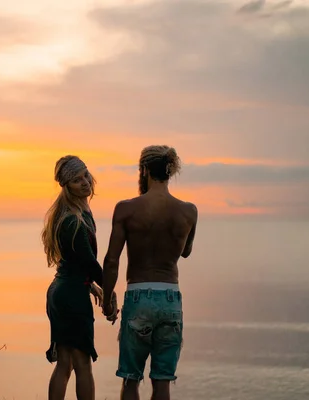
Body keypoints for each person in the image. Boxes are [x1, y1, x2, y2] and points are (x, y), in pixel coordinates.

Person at [101, 145, 198, 400]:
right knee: (162, 382)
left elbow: (112, 260)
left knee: (131, 380)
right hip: (170, 298)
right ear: (170, 170)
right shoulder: (189, 211)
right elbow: (186, 251)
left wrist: (108, 299)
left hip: (138, 297)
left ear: (144, 170)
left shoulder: (126, 209)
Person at [42, 155, 117, 400]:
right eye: (77, 180)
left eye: (85, 174)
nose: (85, 182)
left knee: (65, 363)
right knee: (81, 364)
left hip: (64, 290)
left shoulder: (74, 211)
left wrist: (91, 286)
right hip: (70, 295)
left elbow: (75, 262)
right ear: (67, 186)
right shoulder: (72, 219)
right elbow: (89, 262)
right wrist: (109, 290)